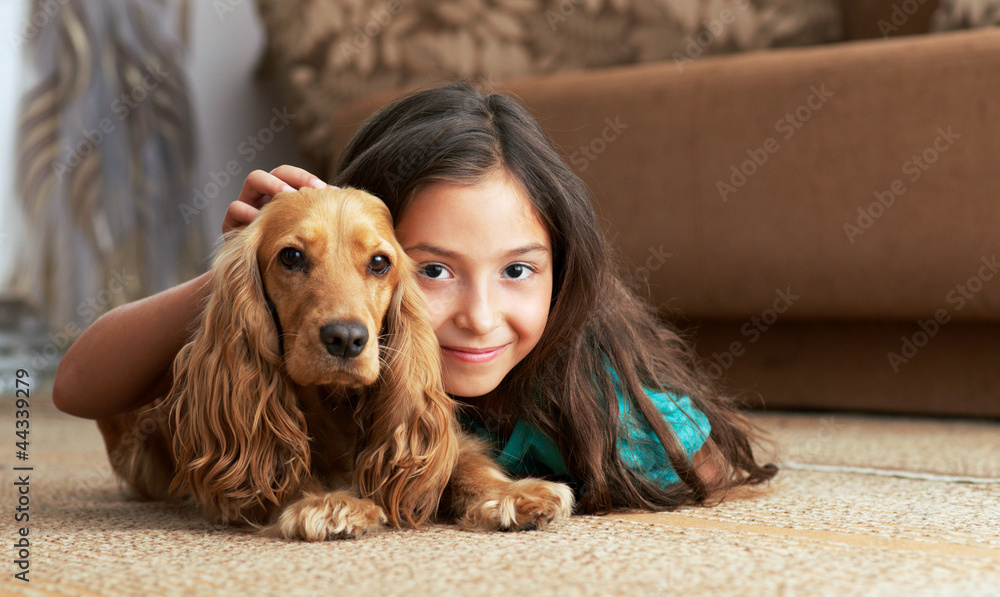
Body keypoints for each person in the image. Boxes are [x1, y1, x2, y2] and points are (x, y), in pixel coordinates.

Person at [54, 81, 776, 514]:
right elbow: (77, 386)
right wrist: (251, 262)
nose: (479, 315)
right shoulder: (295, 325)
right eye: (432, 271)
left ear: (562, 271)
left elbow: (704, 462)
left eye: (518, 271)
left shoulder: (579, 380)